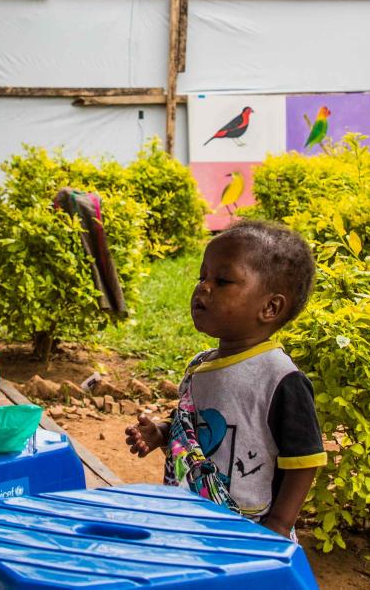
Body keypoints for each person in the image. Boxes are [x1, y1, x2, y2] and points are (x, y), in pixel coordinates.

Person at [123, 221, 323, 539]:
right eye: (202, 277)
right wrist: (162, 432)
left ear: (270, 307)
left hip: (250, 530)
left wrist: (279, 526)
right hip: (193, 517)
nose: (203, 287)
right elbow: (194, 427)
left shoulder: (280, 378)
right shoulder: (201, 366)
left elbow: (304, 460)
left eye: (223, 280)